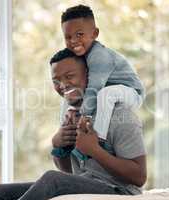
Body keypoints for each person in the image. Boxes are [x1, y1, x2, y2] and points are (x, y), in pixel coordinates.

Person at [0, 49, 147, 200]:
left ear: (89, 75)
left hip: (119, 190)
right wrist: (59, 146)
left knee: (52, 179)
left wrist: (95, 150)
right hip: (88, 182)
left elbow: (139, 177)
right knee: (1, 192)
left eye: (69, 76)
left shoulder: (120, 115)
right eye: (56, 81)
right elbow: (69, 173)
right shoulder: (75, 115)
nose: (62, 85)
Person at [61, 4, 145, 141]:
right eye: (68, 37)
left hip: (131, 93)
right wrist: (71, 108)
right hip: (104, 91)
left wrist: (84, 115)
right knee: (69, 94)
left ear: (94, 34)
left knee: (106, 94)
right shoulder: (77, 57)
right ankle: (66, 135)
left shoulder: (99, 56)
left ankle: (98, 138)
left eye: (79, 34)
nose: (74, 41)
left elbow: (94, 87)